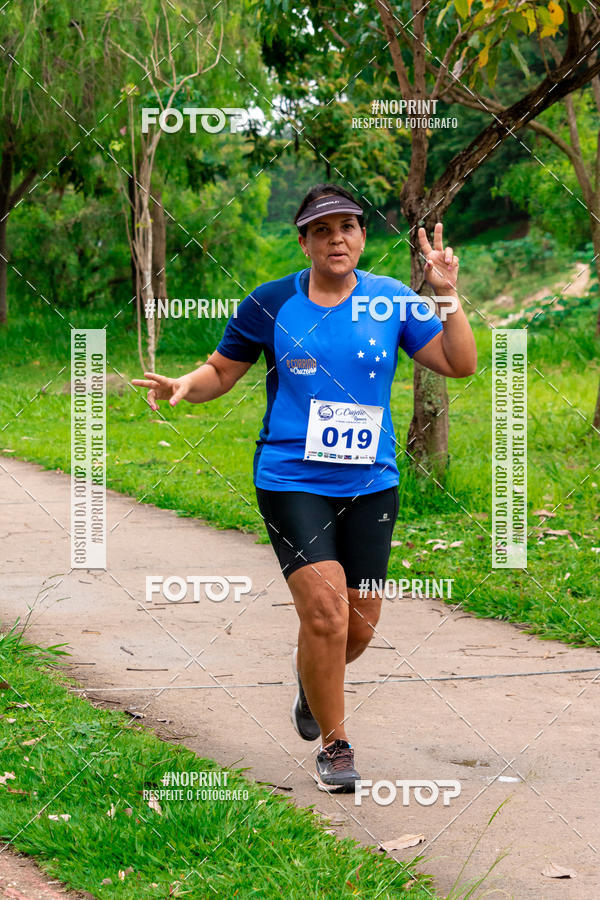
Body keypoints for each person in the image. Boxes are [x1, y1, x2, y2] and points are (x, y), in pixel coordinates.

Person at [132, 183, 477, 793]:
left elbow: (459, 363)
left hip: (371, 482)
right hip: (291, 476)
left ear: (363, 236)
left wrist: (447, 296)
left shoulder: (392, 300)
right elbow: (220, 370)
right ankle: (336, 745)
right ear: (304, 242)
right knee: (325, 613)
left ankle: (309, 681)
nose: (336, 238)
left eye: (347, 226)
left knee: (358, 628)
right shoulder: (270, 304)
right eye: (322, 230)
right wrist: (187, 383)